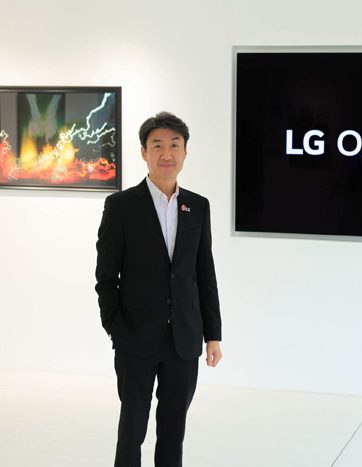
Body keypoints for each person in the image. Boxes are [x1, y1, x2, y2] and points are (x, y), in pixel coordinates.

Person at [95, 112, 222, 467]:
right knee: (132, 427)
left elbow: (204, 273)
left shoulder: (198, 206)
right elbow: (106, 277)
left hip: (184, 337)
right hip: (135, 337)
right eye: (158, 146)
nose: (167, 154)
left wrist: (212, 334)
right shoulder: (121, 206)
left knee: (173, 428)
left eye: (174, 145)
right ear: (143, 152)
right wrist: (116, 328)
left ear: (185, 152)